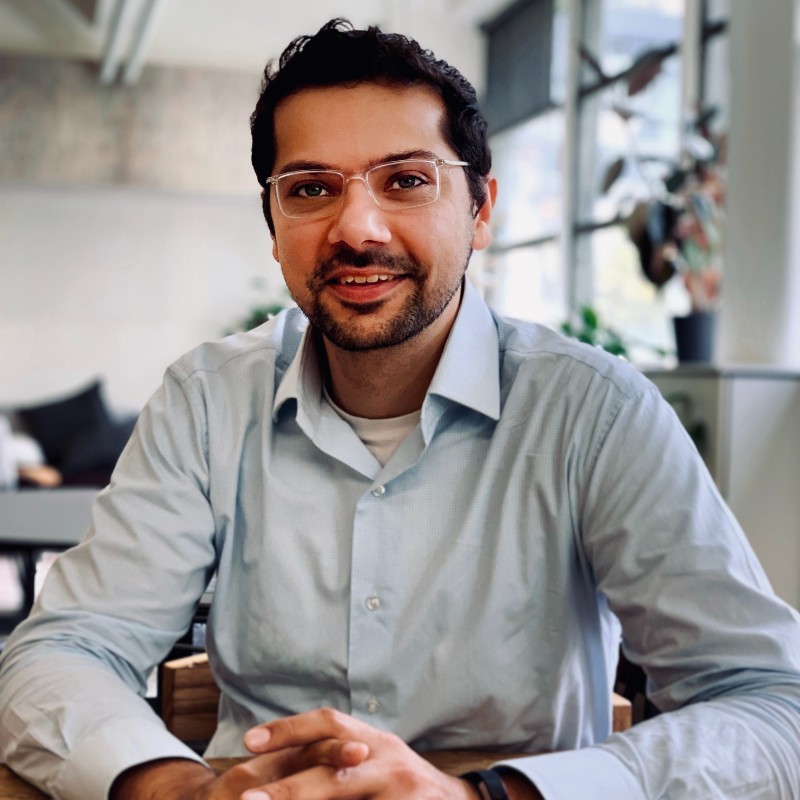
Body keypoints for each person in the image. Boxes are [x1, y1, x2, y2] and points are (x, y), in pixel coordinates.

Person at [1, 18, 799, 800]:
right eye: (311, 189)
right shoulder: (206, 402)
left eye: (407, 180)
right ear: (274, 229)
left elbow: (775, 707)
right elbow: (60, 651)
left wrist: (486, 796)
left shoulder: (596, 412)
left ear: (481, 211)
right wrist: (175, 789)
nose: (357, 227)